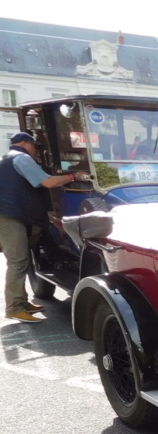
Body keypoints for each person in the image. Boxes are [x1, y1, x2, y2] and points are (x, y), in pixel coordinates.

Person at [0, 132, 77, 322]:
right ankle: (14, 308)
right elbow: (48, 182)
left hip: (9, 215)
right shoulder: (22, 158)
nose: (37, 151)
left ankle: (22, 302)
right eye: (36, 147)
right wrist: (72, 176)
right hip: (9, 216)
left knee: (22, 260)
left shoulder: (6, 159)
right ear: (25, 144)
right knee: (18, 261)